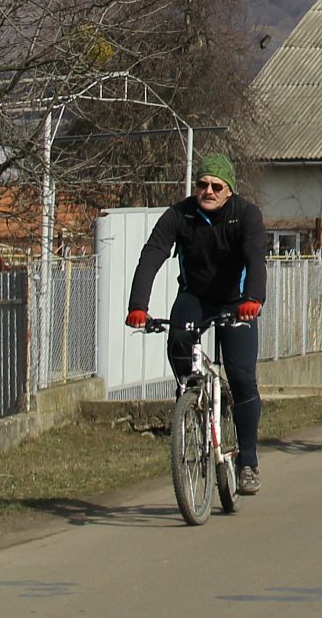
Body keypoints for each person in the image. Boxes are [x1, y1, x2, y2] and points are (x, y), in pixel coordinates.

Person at [125, 153, 267, 495]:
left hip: (237, 301)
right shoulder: (180, 214)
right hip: (196, 296)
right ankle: (192, 399)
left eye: (217, 186)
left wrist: (254, 298)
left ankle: (247, 461)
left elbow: (255, 256)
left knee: (242, 376)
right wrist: (138, 306)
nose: (208, 191)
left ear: (229, 190)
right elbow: (153, 254)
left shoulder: (245, 215)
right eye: (202, 184)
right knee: (176, 339)